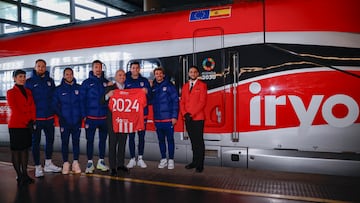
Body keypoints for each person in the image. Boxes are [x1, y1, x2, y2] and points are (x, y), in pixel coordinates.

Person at [25, 59, 61, 178]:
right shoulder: (29, 82)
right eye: (39, 66)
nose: (41, 68)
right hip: (37, 118)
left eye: (43, 66)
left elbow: (54, 97)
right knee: (36, 142)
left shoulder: (50, 81)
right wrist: (30, 117)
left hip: (49, 117)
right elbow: (27, 101)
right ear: (35, 67)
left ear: (46, 68)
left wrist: (55, 110)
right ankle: (37, 166)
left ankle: (48, 163)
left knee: (50, 140)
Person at [7, 69, 36, 186]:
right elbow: (15, 109)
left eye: (24, 76)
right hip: (16, 125)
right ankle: (19, 175)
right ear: (14, 78)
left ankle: (25, 174)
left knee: (25, 150)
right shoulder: (10, 92)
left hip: (27, 125)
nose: (23, 78)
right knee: (16, 151)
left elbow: (33, 106)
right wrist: (27, 122)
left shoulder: (28, 91)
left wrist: (32, 120)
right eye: (20, 76)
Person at [81, 60, 110, 173]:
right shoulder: (86, 83)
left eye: (100, 67)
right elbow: (82, 100)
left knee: (103, 140)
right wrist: (84, 115)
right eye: (96, 67)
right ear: (92, 68)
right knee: (90, 141)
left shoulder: (107, 83)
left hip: (103, 118)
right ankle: (89, 163)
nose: (98, 69)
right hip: (91, 118)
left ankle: (101, 162)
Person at [52, 68, 82, 174]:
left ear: (73, 75)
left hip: (76, 121)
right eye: (67, 74)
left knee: (76, 142)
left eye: (71, 74)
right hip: (64, 121)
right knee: (65, 143)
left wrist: (81, 116)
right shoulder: (58, 89)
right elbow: (54, 105)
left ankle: (75, 163)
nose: (69, 76)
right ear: (64, 76)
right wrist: (61, 116)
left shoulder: (79, 88)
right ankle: (65, 163)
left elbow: (82, 103)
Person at [101, 69, 129, 176]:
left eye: (123, 75)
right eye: (120, 75)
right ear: (116, 77)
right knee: (112, 144)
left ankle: (120, 164)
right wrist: (108, 95)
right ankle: (112, 167)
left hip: (124, 121)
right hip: (113, 121)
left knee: (122, 143)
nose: (122, 77)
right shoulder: (110, 88)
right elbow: (101, 101)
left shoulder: (128, 89)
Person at [180, 65, 207, 173]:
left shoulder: (202, 86)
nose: (193, 74)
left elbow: (202, 102)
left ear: (198, 74)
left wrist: (191, 114)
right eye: (191, 72)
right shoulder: (185, 86)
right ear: (188, 74)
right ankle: (194, 162)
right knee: (193, 142)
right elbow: (182, 102)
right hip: (188, 118)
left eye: (195, 72)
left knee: (199, 142)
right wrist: (185, 114)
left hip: (198, 118)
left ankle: (200, 164)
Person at [151, 67, 179, 169]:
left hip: (168, 119)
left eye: (160, 73)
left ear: (163, 75)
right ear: (155, 75)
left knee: (170, 140)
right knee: (161, 140)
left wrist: (174, 116)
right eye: (156, 74)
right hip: (158, 120)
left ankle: (171, 160)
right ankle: (163, 159)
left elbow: (175, 102)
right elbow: (149, 100)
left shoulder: (169, 86)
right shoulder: (153, 87)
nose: (158, 75)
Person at [125, 61, 151, 168]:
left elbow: (150, 97)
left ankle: (140, 158)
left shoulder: (144, 81)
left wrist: (147, 91)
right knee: (131, 137)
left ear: (139, 69)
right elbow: (121, 96)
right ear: (130, 69)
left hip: (142, 114)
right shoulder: (126, 81)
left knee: (141, 136)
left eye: (137, 68)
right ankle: (132, 159)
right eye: (133, 68)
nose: (135, 70)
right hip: (130, 114)